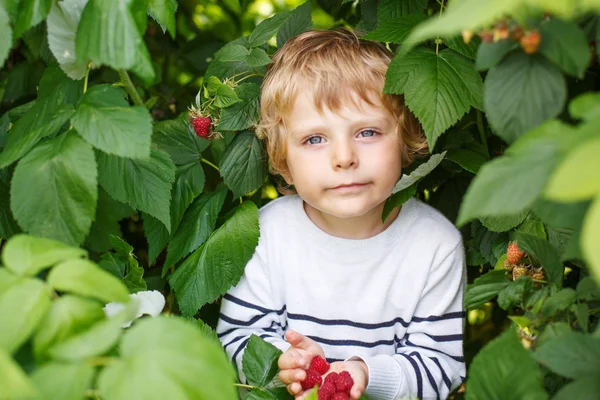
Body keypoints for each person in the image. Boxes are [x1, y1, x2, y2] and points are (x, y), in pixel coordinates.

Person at [216, 28, 466, 400]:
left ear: (406, 137)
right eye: (315, 139)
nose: (344, 157)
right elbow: (236, 339)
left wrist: (363, 374)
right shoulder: (267, 235)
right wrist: (290, 364)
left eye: (367, 132)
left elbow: (440, 367)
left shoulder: (434, 245)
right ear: (283, 160)